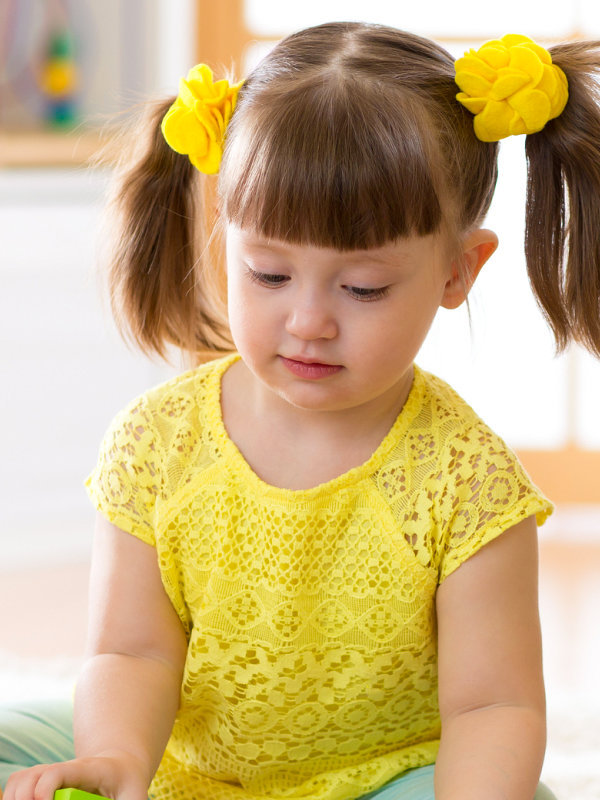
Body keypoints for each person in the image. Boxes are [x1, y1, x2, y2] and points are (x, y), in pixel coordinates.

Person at [3, 21, 600, 800]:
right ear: (226, 240)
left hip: (382, 781)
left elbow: (494, 705)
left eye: (362, 289)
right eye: (269, 275)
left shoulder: (468, 482)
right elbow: (131, 654)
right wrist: (117, 761)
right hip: (185, 768)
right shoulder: (157, 442)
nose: (309, 321)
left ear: (460, 269)